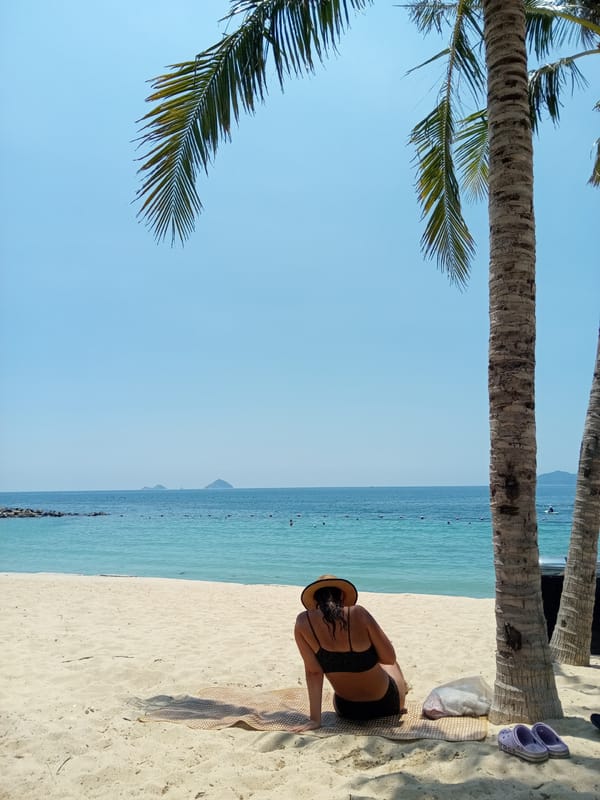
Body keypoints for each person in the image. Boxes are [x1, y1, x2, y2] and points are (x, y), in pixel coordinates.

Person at [293, 575, 409, 731]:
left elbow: (313, 673)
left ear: (315, 600)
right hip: (387, 705)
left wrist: (315, 720)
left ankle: (401, 687)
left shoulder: (302, 622)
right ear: (341, 595)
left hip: (347, 710)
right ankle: (404, 690)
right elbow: (389, 658)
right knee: (389, 660)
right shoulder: (359, 613)